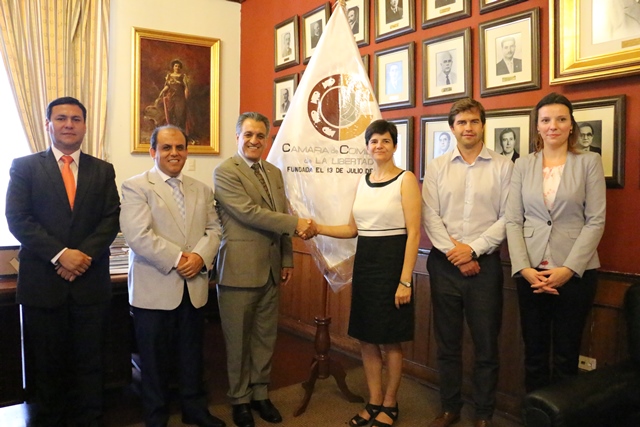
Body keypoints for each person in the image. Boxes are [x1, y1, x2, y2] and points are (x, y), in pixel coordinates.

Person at [5, 96, 120, 426]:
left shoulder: (102, 170)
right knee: (47, 365)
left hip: (89, 284)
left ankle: (90, 419)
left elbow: (111, 219)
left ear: (84, 126)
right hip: (43, 285)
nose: (69, 124)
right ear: (48, 125)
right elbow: (18, 218)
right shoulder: (25, 167)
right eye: (61, 118)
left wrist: (81, 257)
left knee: (90, 362)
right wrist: (61, 255)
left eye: (75, 119)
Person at [213, 112, 317, 427]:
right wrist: (297, 223)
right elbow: (250, 213)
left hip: (271, 270)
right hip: (238, 271)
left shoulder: (273, 172)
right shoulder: (225, 172)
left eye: (261, 135)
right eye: (248, 135)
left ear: (267, 139)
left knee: (265, 338)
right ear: (237, 137)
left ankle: (260, 394)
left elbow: (278, 214)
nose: (254, 141)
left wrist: (286, 259)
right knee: (238, 342)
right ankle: (240, 400)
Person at [315, 120, 421, 427]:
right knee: (367, 338)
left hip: (393, 267)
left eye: (385, 140)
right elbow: (352, 229)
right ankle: (374, 401)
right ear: (367, 147)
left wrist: (405, 280)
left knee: (390, 340)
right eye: (373, 141)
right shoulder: (361, 181)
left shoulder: (406, 180)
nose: (379, 146)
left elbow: (414, 233)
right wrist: (317, 227)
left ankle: (390, 403)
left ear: (395, 146)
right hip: (366, 266)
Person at [120, 125, 225, 427]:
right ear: (153, 151)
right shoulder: (136, 186)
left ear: (187, 151)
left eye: (180, 147)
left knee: (192, 355)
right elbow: (138, 236)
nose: (174, 153)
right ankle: (156, 416)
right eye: (166, 148)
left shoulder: (201, 189)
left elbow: (215, 230)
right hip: (154, 288)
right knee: (154, 360)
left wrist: (200, 257)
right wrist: (180, 259)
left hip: (193, 288)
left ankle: (195, 410)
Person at [505, 93, 606, 393]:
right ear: (537, 126)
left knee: (566, 355)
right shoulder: (523, 165)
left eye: (561, 119)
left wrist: (568, 269)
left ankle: (563, 414)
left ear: (571, 125)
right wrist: (524, 268)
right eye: (546, 120)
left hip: (575, 274)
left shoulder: (589, 162)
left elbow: (596, 221)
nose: (553, 126)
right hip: (531, 273)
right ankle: (535, 412)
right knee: (534, 354)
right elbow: (513, 220)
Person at [422, 98, 513, 427]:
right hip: (444, 265)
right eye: (461, 122)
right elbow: (430, 217)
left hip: (484, 267)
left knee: (486, 345)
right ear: (452, 128)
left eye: (474, 121)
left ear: (483, 125)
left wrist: (473, 250)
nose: (468, 128)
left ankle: (483, 414)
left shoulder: (504, 167)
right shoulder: (437, 167)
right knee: (448, 343)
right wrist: (457, 254)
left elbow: (508, 217)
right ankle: (450, 408)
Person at [159, 59, 190, 131]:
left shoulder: (183, 76)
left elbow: (186, 87)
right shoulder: (169, 76)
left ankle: (181, 131)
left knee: (180, 114)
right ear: (173, 67)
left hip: (180, 97)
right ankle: (172, 130)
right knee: (170, 113)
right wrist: (162, 91)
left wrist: (186, 97)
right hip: (171, 97)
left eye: (178, 66)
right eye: (176, 66)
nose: (177, 67)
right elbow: (167, 86)